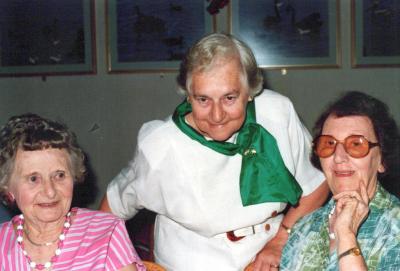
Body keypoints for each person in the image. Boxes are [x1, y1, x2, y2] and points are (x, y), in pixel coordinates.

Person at [100, 33, 329, 270]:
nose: (216, 115)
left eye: (229, 98)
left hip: (268, 252)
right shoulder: (161, 145)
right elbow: (110, 211)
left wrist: (280, 240)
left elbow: (316, 184)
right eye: (203, 99)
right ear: (188, 95)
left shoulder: (277, 114)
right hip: (191, 261)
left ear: (249, 90)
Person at [0, 114, 145, 271]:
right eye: (34, 179)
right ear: (8, 186)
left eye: (60, 175)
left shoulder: (105, 233)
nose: (50, 192)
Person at [280, 91, 400, 270]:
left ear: (381, 160)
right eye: (329, 144)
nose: (338, 157)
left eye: (356, 144)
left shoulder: (394, 228)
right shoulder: (304, 228)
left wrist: (346, 235)